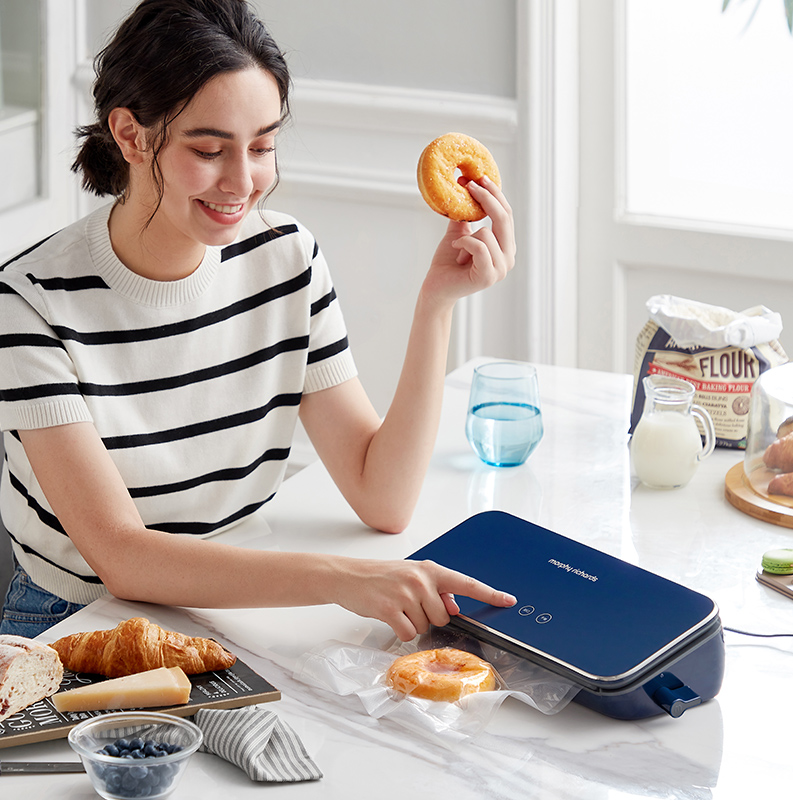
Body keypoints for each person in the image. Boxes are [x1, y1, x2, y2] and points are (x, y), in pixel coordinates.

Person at [0, 0, 516, 641]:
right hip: (74, 622)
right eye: (210, 149)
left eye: (263, 146)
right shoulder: (29, 301)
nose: (243, 182)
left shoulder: (285, 258)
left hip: (233, 603)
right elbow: (123, 560)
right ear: (131, 136)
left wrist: (437, 304)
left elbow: (383, 497)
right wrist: (342, 579)